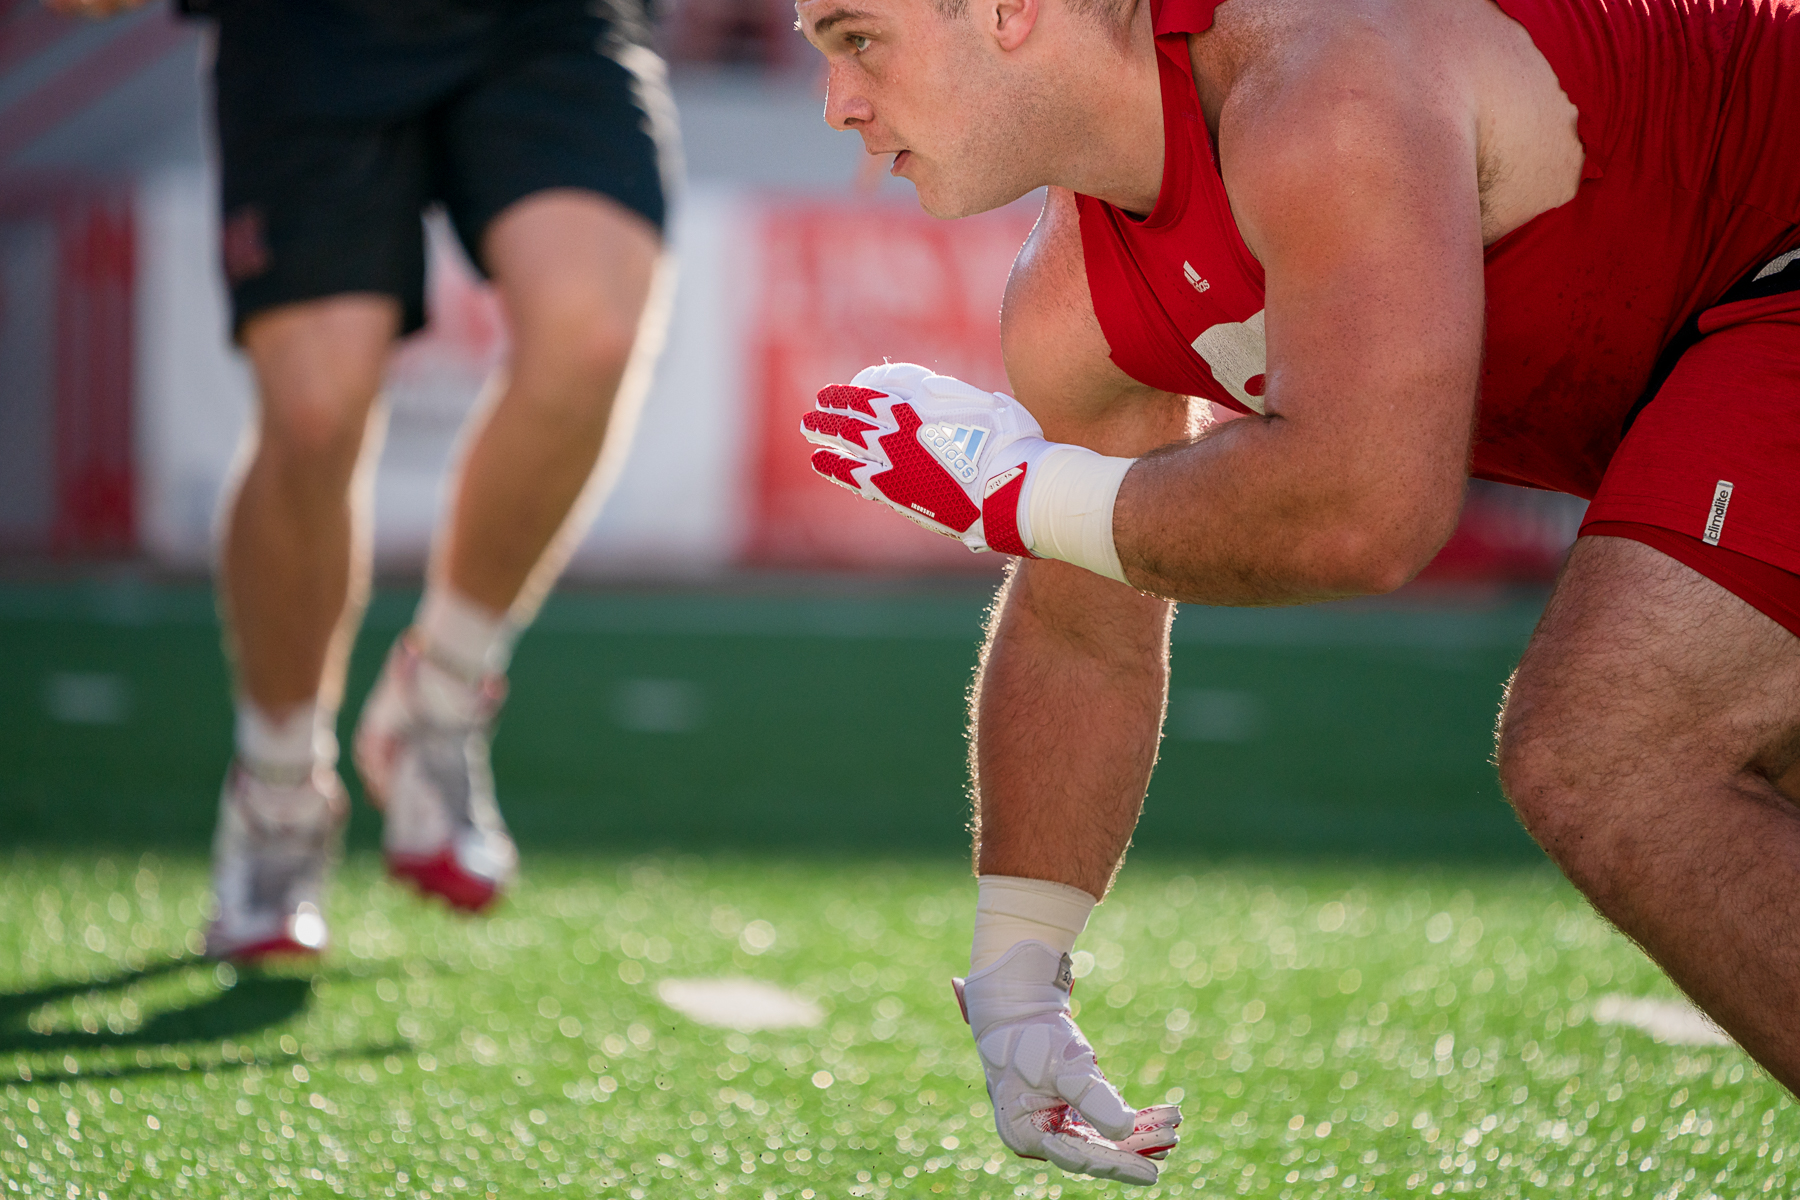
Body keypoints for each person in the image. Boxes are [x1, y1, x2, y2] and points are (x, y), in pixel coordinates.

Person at [797, 0, 1800, 1183]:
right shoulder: (1072, 302)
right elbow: (1083, 627)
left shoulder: (1322, 75)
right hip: (1728, 315)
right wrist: (1018, 981)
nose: (838, 102)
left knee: (1617, 753)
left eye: (857, 36)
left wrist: (1020, 495)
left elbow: (1372, 511)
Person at [51, 0, 679, 959]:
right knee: (313, 414)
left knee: (592, 337)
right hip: (315, 27)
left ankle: (441, 702)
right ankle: (275, 793)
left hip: (549, 18)